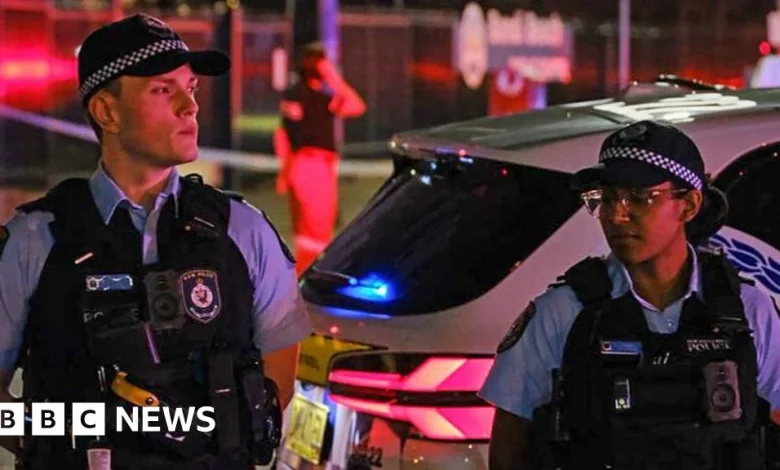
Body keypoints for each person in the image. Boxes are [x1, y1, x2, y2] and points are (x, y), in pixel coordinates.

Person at [0, 14, 312, 469]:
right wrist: (85, 432)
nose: (190, 107)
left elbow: (275, 388)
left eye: (192, 88)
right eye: (163, 90)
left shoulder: (245, 232)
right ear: (107, 112)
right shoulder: (34, 241)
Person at [479, 120, 780, 470]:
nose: (617, 215)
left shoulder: (747, 310)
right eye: (606, 199)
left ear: (689, 204)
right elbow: (507, 454)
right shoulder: (562, 313)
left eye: (639, 198)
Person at [273, 42, 366, 276]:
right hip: (309, 164)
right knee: (313, 230)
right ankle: (306, 281)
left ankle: (306, 279)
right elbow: (283, 134)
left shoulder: (325, 97)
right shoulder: (297, 94)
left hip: (318, 166)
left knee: (316, 229)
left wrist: (332, 78)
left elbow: (356, 106)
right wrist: (286, 171)